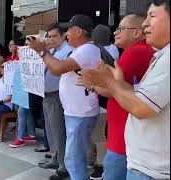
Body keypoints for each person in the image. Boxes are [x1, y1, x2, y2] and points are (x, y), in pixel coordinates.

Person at [79, 1, 170, 179]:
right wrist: (114, 83)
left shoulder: (137, 53)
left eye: (152, 16)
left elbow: (141, 106)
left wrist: (101, 83)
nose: (145, 24)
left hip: (144, 164)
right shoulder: (153, 53)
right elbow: (137, 92)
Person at [28, 15, 102, 180]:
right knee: (75, 156)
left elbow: (58, 68)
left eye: (68, 30)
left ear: (78, 31)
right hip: (76, 111)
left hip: (80, 112)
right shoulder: (81, 49)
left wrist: (42, 51)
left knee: (73, 159)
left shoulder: (87, 49)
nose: (67, 33)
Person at [35, 23, 73, 180]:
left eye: (54, 36)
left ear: (63, 35)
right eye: (49, 36)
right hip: (46, 94)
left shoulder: (67, 50)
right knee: (50, 131)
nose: (51, 39)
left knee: (58, 131)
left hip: (57, 95)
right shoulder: (52, 51)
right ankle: (55, 157)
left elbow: (58, 69)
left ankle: (64, 166)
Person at [88, 24, 121, 179]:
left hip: (102, 99)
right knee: (98, 134)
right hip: (103, 98)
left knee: (99, 134)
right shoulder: (112, 50)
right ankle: (95, 159)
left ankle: (100, 165)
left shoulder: (102, 53)